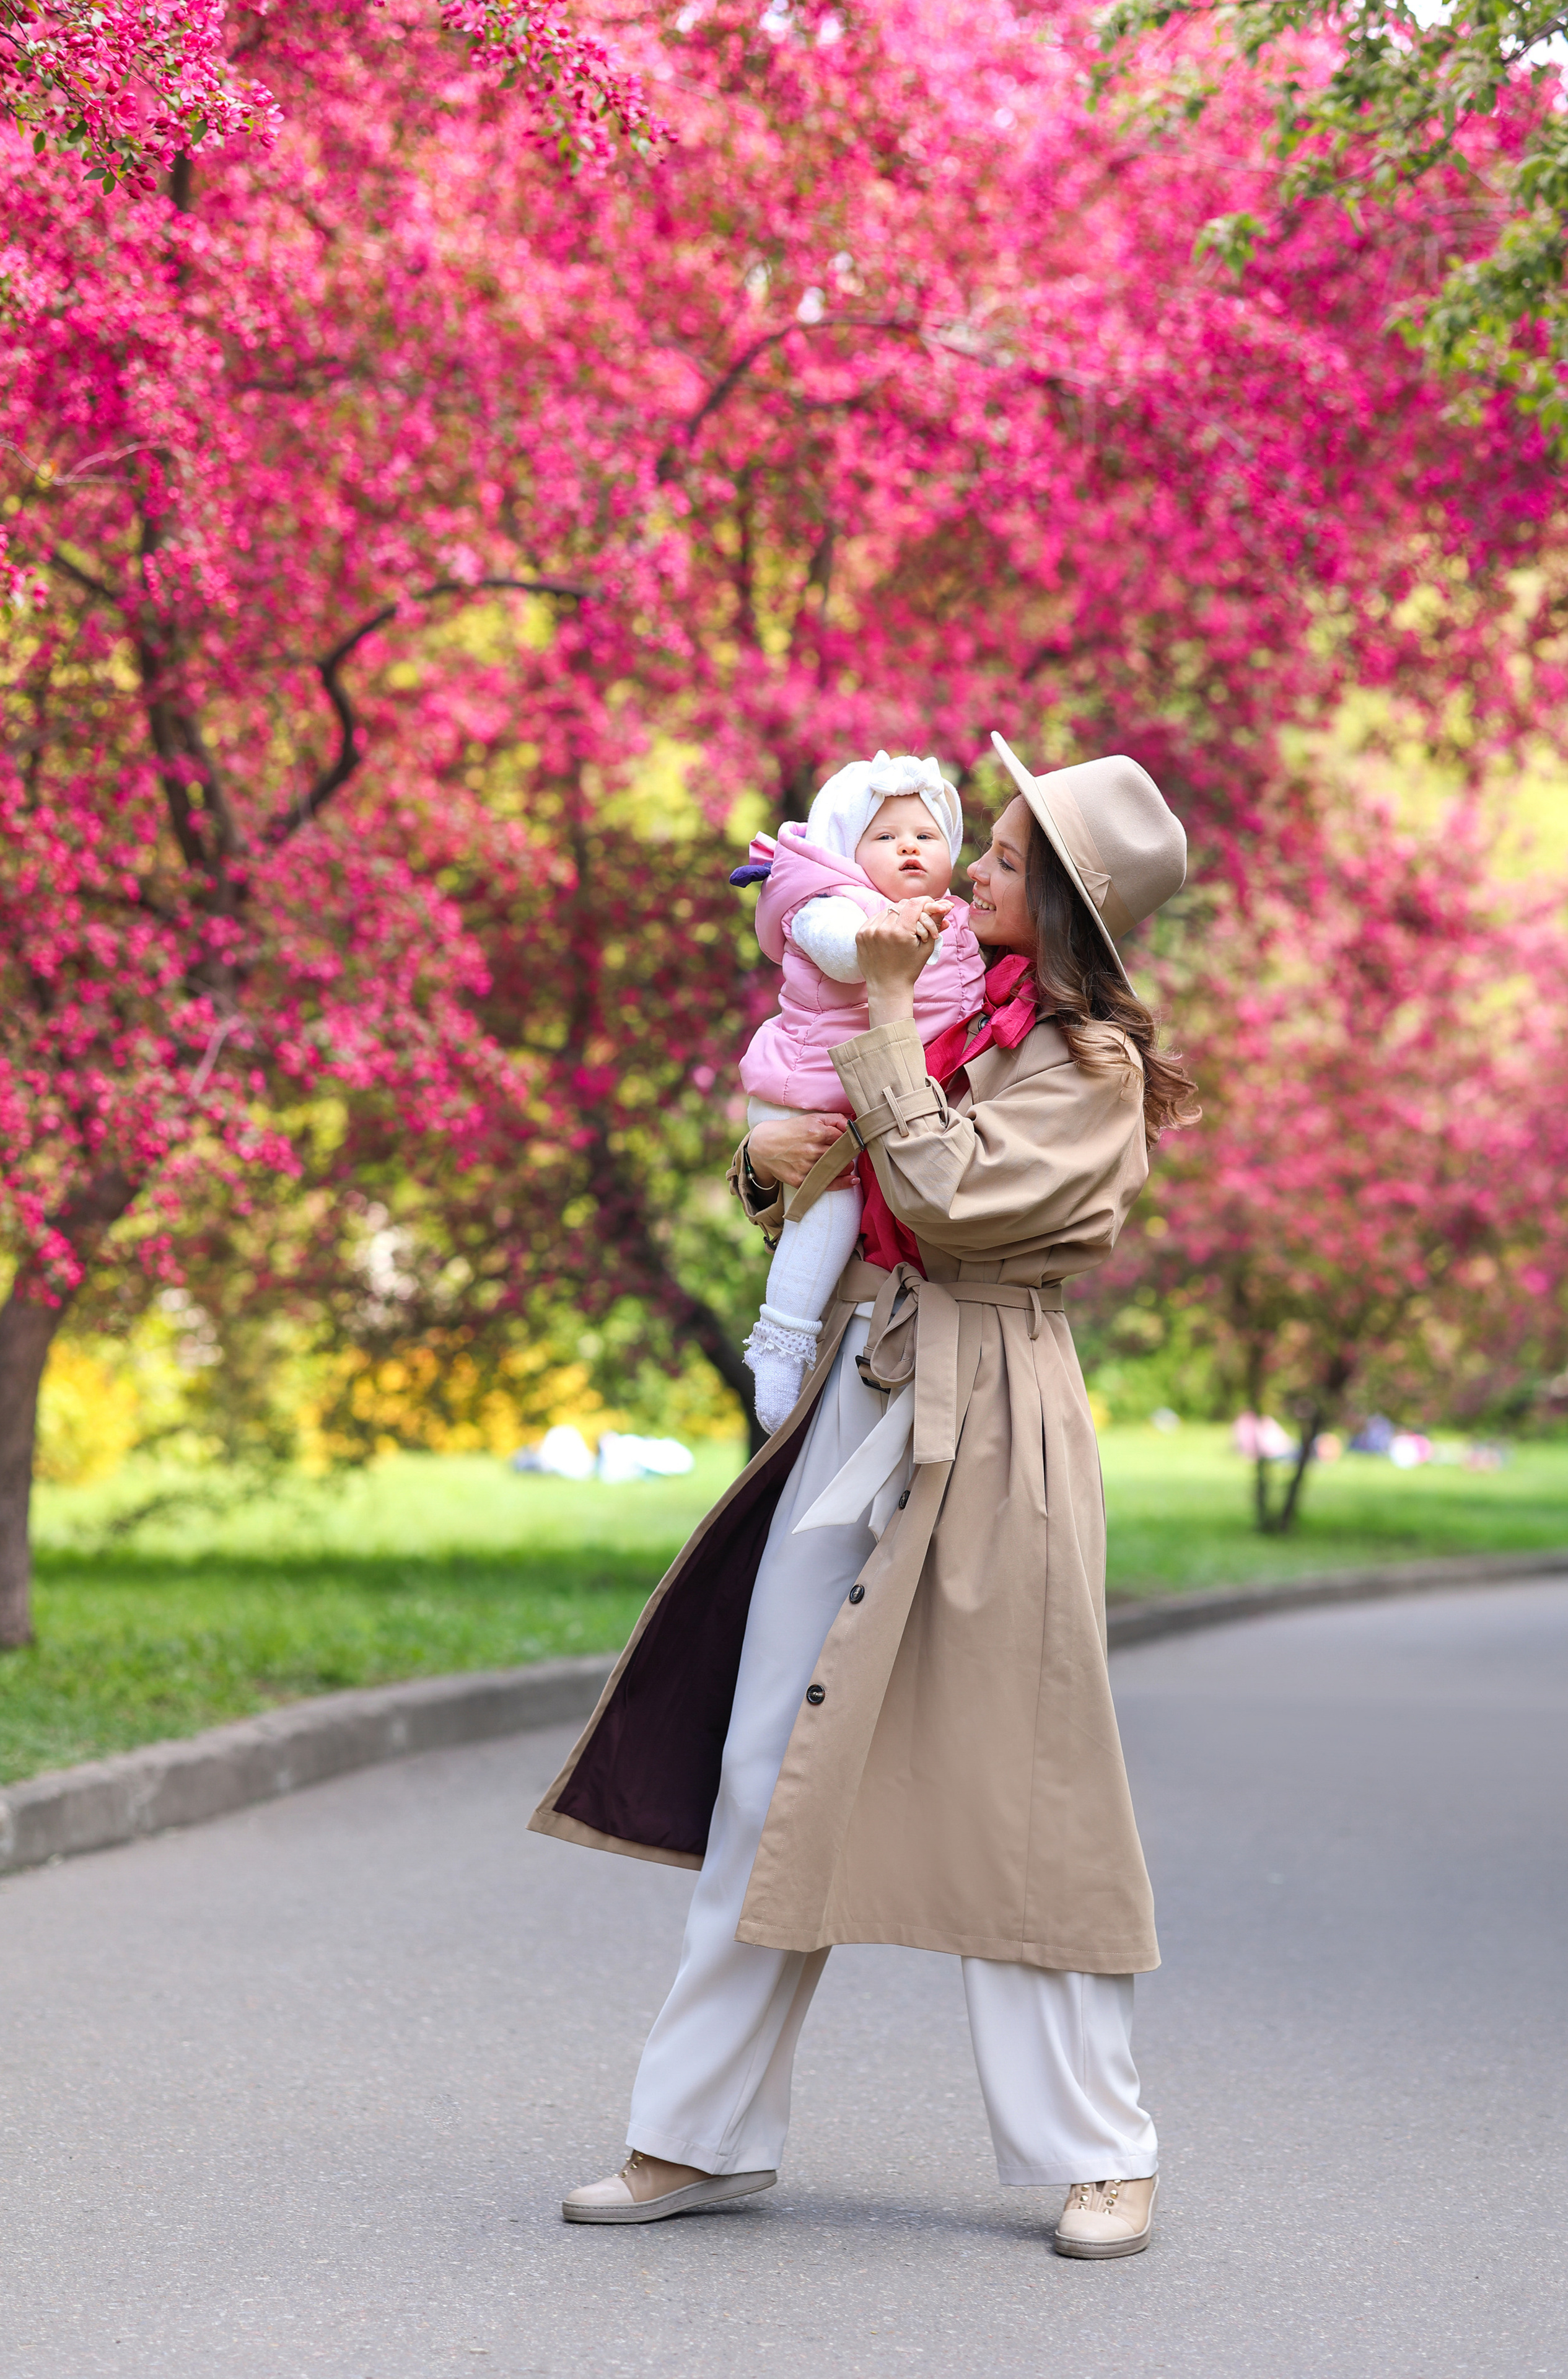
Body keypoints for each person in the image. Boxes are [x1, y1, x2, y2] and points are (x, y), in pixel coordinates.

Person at [531, 733, 1198, 2260]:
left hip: (999, 1419)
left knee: (1021, 1792)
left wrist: (886, 1015)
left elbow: (951, 1196)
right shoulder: (952, 1002)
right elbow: (832, 1156)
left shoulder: (1082, 1069)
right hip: (864, 1388)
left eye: (1007, 859)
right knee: (769, 1763)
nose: (969, 870)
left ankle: (1106, 2149)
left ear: (1073, 905)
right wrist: (760, 1166)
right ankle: (690, 2133)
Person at [737, 749, 984, 1431]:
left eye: (926, 836)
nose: (909, 846)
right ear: (847, 850)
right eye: (885, 837)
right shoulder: (829, 905)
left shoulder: (957, 921)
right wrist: (893, 940)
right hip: (806, 1093)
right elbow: (849, 954)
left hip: (867, 1102)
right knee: (827, 1214)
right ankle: (780, 1340)